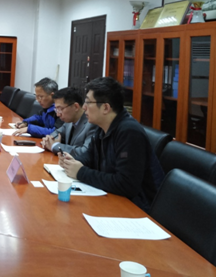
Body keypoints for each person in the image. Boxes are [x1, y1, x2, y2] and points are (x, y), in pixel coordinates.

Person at [59, 77, 164, 212]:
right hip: (112, 198)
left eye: (88, 102)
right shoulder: (102, 127)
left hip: (137, 208)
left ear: (105, 108)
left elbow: (126, 184)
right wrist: (71, 162)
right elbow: (89, 156)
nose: (84, 107)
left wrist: (80, 172)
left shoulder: (129, 132)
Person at [42, 87, 96, 157]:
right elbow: (56, 133)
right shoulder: (69, 121)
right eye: (56, 109)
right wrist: (48, 140)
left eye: (60, 109)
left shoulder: (92, 124)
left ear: (76, 106)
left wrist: (55, 146)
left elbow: (84, 152)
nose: (58, 114)